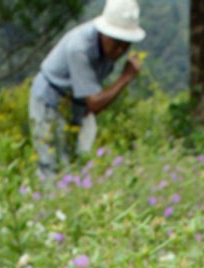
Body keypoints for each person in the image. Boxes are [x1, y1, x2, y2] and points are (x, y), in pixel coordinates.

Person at [29, 0, 145, 181]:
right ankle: (48, 206)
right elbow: (95, 104)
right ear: (104, 33)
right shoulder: (80, 48)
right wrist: (125, 78)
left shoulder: (106, 47)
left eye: (126, 43)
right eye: (117, 41)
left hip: (76, 104)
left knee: (76, 164)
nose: (121, 49)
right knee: (51, 165)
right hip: (50, 100)